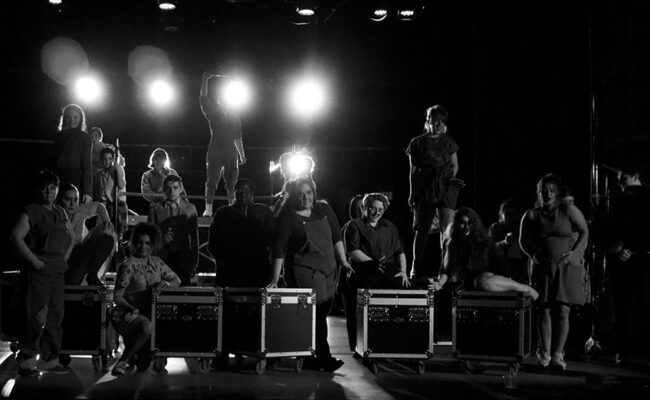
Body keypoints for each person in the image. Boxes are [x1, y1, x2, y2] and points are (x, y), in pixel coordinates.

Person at [269, 177, 352, 372]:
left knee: (320, 314)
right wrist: (274, 278)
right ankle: (323, 357)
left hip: (329, 270)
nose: (305, 197)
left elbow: (336, 237)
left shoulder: (324, 210)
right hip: (303, 272)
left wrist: (343, 260)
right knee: (316, 315)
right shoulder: (288, 218)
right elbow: (279, 250)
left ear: (314, 193)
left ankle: (309, 356)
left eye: (308, 193)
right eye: (301, 194)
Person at [520, 174, 589, 370]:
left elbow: (584, 231)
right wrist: (533, 254)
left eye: (551, 189)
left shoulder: (568, 210)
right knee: (544, 308)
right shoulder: (532, 214)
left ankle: (559, 354)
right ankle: (545, 353)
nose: (547, 193)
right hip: (543, 266)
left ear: (557, 192)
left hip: (566, 266)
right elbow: (522, 241)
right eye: (544, 189)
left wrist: (574, 252)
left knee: (563, 309)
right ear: (539, 192)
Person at [9, 170, 74, 377]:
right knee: (36, 316)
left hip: (57, 272)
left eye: (53, 187)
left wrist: (63, 259)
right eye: (45, 187)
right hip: (39, 272)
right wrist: (35, 262)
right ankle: (27, 360)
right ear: (39, 188)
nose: (49, 191)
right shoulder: (33, 210)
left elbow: (71, 238)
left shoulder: (61, 212)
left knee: (56, 316)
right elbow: (16, 237)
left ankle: (50, 359)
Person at [110, 222, 180, 375]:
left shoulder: (157, 263)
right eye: (140, 243)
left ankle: (146, 355)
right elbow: (117, 296)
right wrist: (132, 309)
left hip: (149, 313)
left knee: (143, 365)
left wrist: (166, 284)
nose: (143, 247)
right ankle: (123, 360)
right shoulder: (128, 265)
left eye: (148, 243)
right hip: (126, 314)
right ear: (134, 244)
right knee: (146, 325)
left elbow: (177, 281)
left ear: (153, 244)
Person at [343, 193, 410, 351]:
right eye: (372, 208)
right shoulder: (355, 225)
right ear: (365, 208)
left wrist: (404, 272)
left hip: (387, 269)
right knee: (361, 310)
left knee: (399, 302)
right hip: (364, 271)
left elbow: (400, 250)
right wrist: (373, 264)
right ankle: (360, 346)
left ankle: (392, 342)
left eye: (380, 209)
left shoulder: (390, 227)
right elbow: (353, 251)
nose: (376, 212)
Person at [406, 104, 465, 278]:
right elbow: (413, 171)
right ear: (429, 120)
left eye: (442, 120)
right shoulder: (417, 142)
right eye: (436, 119)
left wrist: (448, 178)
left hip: (446, 186)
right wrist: (412, 193)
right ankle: (415, 268)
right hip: (426, 188)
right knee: (422, 228)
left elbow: (455, 165)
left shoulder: (448, 142)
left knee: (446, 229)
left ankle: (446, 269)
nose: (439, 123)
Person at [429, 207, 538, 299]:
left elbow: (502, 268)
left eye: (470, 223)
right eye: (462, 223)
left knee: (481, 281)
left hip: (487, 282)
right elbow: (445, 270)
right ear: (456, 224)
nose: (466, 227)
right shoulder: (450, 244)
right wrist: (439, 284)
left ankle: (526, 288)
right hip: (468, 288)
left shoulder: (485, 242)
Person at [605, 165, 650, 364]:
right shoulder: (617, 200)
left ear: (635, 176)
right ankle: (621, 351)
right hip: (625, 257)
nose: (619, 180)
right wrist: (617, 248)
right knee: (622, 308)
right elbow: (608, 227)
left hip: (643, 258)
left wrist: (630, 249)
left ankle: (628, 352)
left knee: (642, 306)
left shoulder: (644, 197)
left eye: (623, 176)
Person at [208, 178, 273, 287]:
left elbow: (272, 238)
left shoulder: (264, 211)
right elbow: (213, 243)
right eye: (240, 191)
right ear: (235, 192)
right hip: (230, 271)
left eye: (247, 192)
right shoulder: (223, 213)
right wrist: (224, 262)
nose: (243, 194)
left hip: (258, 269)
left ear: (252, 193)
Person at [200, 72, 247, 216]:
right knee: (212, 179)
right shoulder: (214, 114)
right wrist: (205, 79)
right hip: (216, 149)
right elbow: (203, 98)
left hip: (230, 151)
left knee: (232, 181)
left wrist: (242, 155)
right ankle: (208, 209)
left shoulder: (235, 118)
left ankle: (232, 206)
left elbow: (237, 137)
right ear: (220, 102)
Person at [57, 183, 115, 286]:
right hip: (61, 266)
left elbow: (100, 207)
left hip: (79, 260)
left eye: (75, 200)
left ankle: (92, 275)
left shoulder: (79, 210)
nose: (72, 204)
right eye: (68, 199)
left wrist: (107, 223)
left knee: (107, 234)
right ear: (60, 200)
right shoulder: (55, 215)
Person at [148, 174, 199, 286]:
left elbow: (194, 238)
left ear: (181, 189)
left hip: (183, 258)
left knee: (184, 294)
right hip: (162, 257)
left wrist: (194, 262)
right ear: (164, 189)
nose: (172, 191)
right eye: (168, 188)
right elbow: (149, 237)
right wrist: (162, 240)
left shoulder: (190, 208)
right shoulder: (155, 208)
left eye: (175, 187)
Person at [52, 104, 93, 204]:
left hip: (75, 178)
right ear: (64, 118)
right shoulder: (59, 136)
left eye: (75, 117)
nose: (72, 120)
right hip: (58, 177)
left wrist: (88, 192)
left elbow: (87, 165)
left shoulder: (85, 137)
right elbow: (53, 160)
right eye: (68, 117)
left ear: (80, 118)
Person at [488, 198, 530, 284]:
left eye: (513, 214)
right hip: (503, 265)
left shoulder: (523, 227)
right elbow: (490, 249)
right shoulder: (496, 228)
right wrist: (505, 242)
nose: (510, 216)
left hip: (521, 265)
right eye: (507, 213)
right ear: (502, 214)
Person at [93, 146, 128, 236]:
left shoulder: (118, 169)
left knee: (119, 230)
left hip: (117, 204)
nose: (107, 162)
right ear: (101, 160)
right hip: (104, 204)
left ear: (113, 159)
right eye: (104, 159)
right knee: (102, 229)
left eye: (109, 159)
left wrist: (117, 171)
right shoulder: (100, 173)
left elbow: (121, 185)